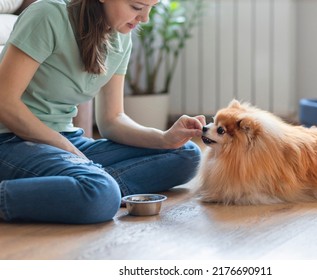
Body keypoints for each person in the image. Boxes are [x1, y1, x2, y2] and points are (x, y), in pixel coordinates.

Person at [0, 0, 205, 224]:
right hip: (11, 141)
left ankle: (81, 185)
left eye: (151, 7)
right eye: (137, 7)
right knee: (100, 193)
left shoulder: (121, 37)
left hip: (64, 140)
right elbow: (4, 102)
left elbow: (112, 120)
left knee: (185, 153)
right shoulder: (49, 14)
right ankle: (93, 187)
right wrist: (67, 149)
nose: (144, 18)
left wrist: (165, 138)